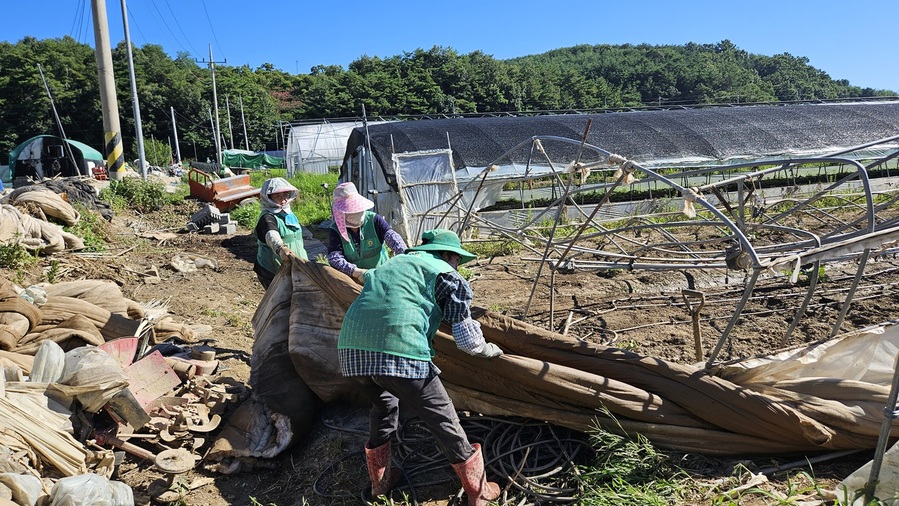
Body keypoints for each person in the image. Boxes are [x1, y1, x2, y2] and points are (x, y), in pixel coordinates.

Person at [338, 229, 502, 505]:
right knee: (444, 419)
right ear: (448, 256)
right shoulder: (447, 274)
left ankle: (381, 483)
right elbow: (468, 342)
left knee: (383, 409)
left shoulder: (390, 265)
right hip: (400, 350)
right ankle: (479, 492)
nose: (457, 265)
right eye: (456, 259)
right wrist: (492, 351)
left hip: (352, 351)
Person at [327, 182, 407, 283]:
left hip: (381, 275)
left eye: (358, 209)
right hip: (354, 280)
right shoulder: (336, 230)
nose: (357, 213)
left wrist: (405, 254)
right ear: (342, 213)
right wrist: (356, 272)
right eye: (352, 211)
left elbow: (392, 237)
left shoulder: (374, 220)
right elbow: (334, 258)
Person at [253, 177, 308, 288]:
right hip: (273, 269)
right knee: (281, 302)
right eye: (277, 196)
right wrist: (281, 248)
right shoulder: (267, 217)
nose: (283, 200)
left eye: (285, 195)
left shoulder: (288, 214)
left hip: (297, 266)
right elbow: (271, 234)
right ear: (268, 198)